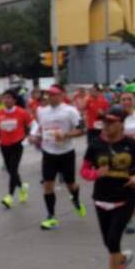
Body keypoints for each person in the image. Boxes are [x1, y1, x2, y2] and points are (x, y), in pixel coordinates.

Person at [81, 106, 135, 269]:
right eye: (105, 121)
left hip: (125, 198)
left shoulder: (133, 144)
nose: (107, 125)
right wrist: (96, 174)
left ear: (122, 123)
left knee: (113, 239)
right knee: (108, 242)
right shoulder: (95, 144)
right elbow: (84, 171)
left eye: (111, 122)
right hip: (101, 198)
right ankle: (122, 259)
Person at [32, 85, 87, 230]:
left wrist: (66, 135)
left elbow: (82, 129)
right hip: (48, 153)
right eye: (48, 95)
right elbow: (41, 130)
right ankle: (51, 216)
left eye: (54, 94)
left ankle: (75, 200)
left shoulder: (70, 111)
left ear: (61, 95)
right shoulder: (43, 112)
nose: (50, 97)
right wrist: (36, 137)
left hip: (66, 152)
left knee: (71, 185)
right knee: (48, 185)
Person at [0, 90, 33, 208]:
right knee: (10, 170)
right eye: (4, 98)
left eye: (9, 98)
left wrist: (29, 136)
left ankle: (9, 196)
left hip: (17, 144)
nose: (6, 100)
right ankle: (22, 187)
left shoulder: (22, 113)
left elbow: (32, 124)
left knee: (13, 169)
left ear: (14, 100)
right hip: (4, 145)